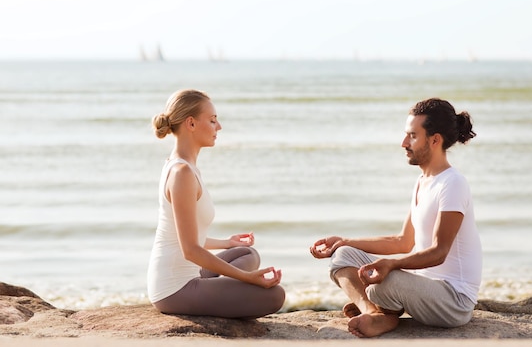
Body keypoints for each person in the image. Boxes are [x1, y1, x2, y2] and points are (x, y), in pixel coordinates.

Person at [310, 98, 482, 338]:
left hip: (453, 300)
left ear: (434, 140)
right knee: (343, 256)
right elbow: (402, 242)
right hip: (422, 289)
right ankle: (374, 313)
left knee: (385, 280)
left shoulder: (453, 183)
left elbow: (439, 251)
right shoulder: (422, 182)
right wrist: (346, 241)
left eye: (413, 135)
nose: (404, 143)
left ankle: (383, 308)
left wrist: (392, 264)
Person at [147, 89, 285, 318]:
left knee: (247, 253)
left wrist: (226, 242)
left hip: (190, 273)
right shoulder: (181, 173)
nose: (218, 127)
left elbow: (184, 236)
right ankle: (217, 295)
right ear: (191, 123)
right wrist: (247, 278)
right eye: (212, 120)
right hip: (174, 289)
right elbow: (190, 249)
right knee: (275, 296)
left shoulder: (182, 165)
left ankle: (219, 292)